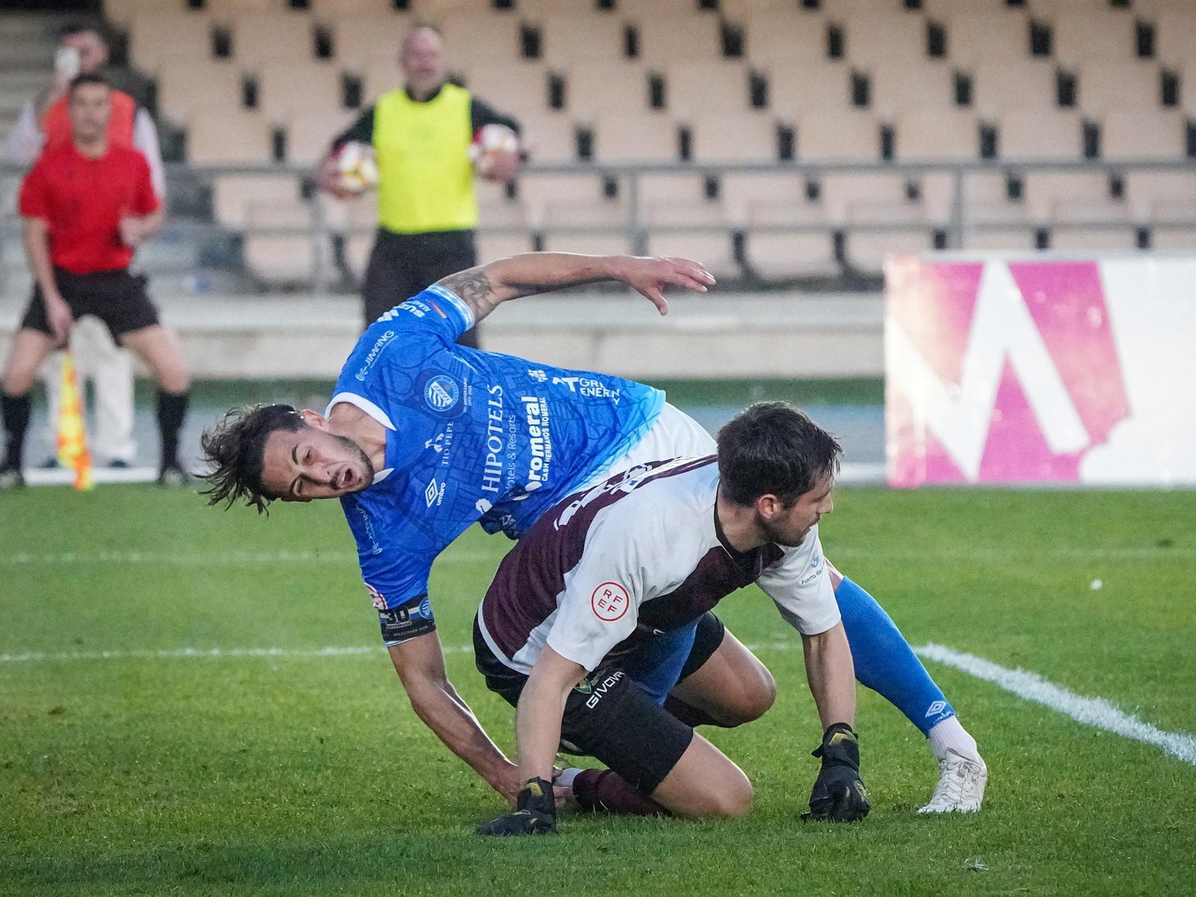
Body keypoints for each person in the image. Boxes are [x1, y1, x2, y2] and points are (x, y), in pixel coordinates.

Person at [199, 252, 987, 814]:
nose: (321, 479)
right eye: (300, 489)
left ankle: (948, 743)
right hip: (585, 527)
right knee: (710, 651)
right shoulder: (384, 531)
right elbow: (424, 681)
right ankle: (616, 759)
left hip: (632, 427)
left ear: (310, 419)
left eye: (307, 458)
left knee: (792, 585)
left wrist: (617, 265)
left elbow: (499, 279)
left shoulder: (388, 354)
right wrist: (502, 774)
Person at [474, 403, 870, 835]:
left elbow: (823, 633)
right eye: (817, 498)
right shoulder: (653, 536)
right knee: (725, 799)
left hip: (644, 616)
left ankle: (638, 736)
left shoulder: (774, 518)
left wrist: (841, 753)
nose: (827, 507)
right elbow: (550, 677)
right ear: (770, 505)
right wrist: (534, 801)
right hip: (527, 649)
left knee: (751, 694)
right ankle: (575, 782)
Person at [0, 74, 191, 489]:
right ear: (69, 110)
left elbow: (154, 212)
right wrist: (50, 298)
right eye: (81, 103)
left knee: (175, 373)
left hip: (117, 281)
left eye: (99, 103)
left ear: (110, 110)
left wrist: (140, 228)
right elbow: (33, 235)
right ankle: (11, 465)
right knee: (17, 375)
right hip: (61, 281)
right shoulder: (47, 167)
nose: (90, 112)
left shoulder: (131, 162)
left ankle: (171, 463)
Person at [6, 21, 166, 470]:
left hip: (113, 255)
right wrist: (48, 95)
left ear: (102, 57)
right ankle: (66, 444)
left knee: (113, 353)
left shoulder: (129, 112)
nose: (79, 58)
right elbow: (18, 154)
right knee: (59, 355)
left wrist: (139, 226)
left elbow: (150, 180)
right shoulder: (51, 106)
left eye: (87, 50)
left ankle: (116, 447)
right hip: (61, 252)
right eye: (70, 51)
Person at [317, 24, 521, 343]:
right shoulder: (383, 110)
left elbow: (514, 138)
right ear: (403, 61)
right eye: (417, 55)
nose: (425, 63)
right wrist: (329, 176)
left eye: (432, 55)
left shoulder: (467, 107)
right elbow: (336, 152)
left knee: (460, 343)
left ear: (444, 61)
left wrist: (510, 160)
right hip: (393, 247)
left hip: (452, 249)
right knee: (379, 340)